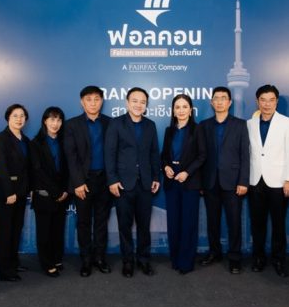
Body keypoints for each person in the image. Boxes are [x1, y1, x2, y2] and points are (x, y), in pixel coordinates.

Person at [105, 87, 161, 278]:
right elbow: (109, 154)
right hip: (123, 184)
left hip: (145, 184)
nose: (139, 105)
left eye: (143, 102)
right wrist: (112, 180)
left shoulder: (150, 125)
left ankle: (144, 260)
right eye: (135, 101)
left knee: (144, 226)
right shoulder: (116, 124)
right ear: (127, 102)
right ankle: (128, 262)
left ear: (146, 105)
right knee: (124, 226)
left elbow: (154, 153)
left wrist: (156, 177)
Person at [246, 85, 289, 277]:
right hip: (255, 180)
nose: (267, 104)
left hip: (279, 182)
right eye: (263, 100)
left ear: (276, 101)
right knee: (257, 224)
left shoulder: (288, 123)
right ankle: (258, 258)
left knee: (278, 224)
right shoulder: (250, 123)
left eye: (271, 100)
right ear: (257, 101)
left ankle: (279, 260)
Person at [198, 86, 250, 274]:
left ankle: (235, 257)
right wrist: (201, 182)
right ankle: (215, 252)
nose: (219, 101)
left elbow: (245, 155)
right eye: (216, 98)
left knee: (234, 222)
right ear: (212, 102)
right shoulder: (204, 125)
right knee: (212, 221)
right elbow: (201, 155)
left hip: (233, 182)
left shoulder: (240, 125)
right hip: (210, 182)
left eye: (223, 98)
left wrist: (243, 181)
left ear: (229, 102)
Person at [63, 86, 113, 277]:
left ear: (102, 101)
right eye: (88, 99)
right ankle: (85, 259)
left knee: (101, 221)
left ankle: (99, 258)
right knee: (83, 222)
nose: (93, 103)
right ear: (82, 102)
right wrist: (77, 182)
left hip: (105, 180)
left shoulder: (110, 123)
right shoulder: (72, 125)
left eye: (96, 99)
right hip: (83, 181)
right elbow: (71, 156)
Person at [161, 94, 206, 274]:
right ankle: (175, 259)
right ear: (173, 111)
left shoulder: (197, 129)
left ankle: (186, 263)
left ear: (190, 110)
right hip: (172, 182)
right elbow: (164, 155)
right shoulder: (169, 131)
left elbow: (202, 155)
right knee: (174, 223)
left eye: (184, 107)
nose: (181, 110)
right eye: (177, 107)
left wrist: (187, 172)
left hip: (190, 182)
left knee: (188, 224)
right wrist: (165, 167)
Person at [0, 104, 31, 282]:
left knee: (16, 229)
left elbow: (27, 169)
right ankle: (4, 270)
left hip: (21, 192)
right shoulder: (0, 139)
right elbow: (1, 168)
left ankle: (13, 263)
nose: (19, 119)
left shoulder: (26, 141)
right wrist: (9, 193)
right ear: (8, 118)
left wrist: (28, 189)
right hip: (5, 193)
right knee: (5, 231)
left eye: (22, 116)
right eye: (15, 116)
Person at [30, 107, 70, 278]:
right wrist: (56, 192)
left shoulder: (64, 141)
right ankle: (47, 263)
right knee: (44, 232)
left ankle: (56, 258)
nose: (55, 123)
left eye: (59, 120)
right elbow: (38, 171)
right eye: (52, 119)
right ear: (45, 121)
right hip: (45, 195)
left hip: (62, 195)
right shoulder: (35, 143)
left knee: (58, 231)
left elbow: (68, 168)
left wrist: (66, 190)